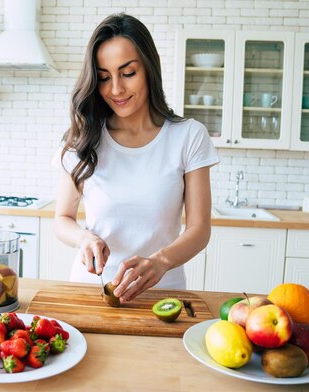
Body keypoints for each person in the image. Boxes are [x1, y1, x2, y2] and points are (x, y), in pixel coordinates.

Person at [53, 13, 218, 303]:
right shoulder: (84, 138)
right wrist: (84, 238)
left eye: (128, 73)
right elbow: (62, 219)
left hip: (163, 295)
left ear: (149, 69)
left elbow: (199, 229)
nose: (115, 89)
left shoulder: (188, 136)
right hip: (91, 290)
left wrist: (161, 262)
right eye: (104, 78)